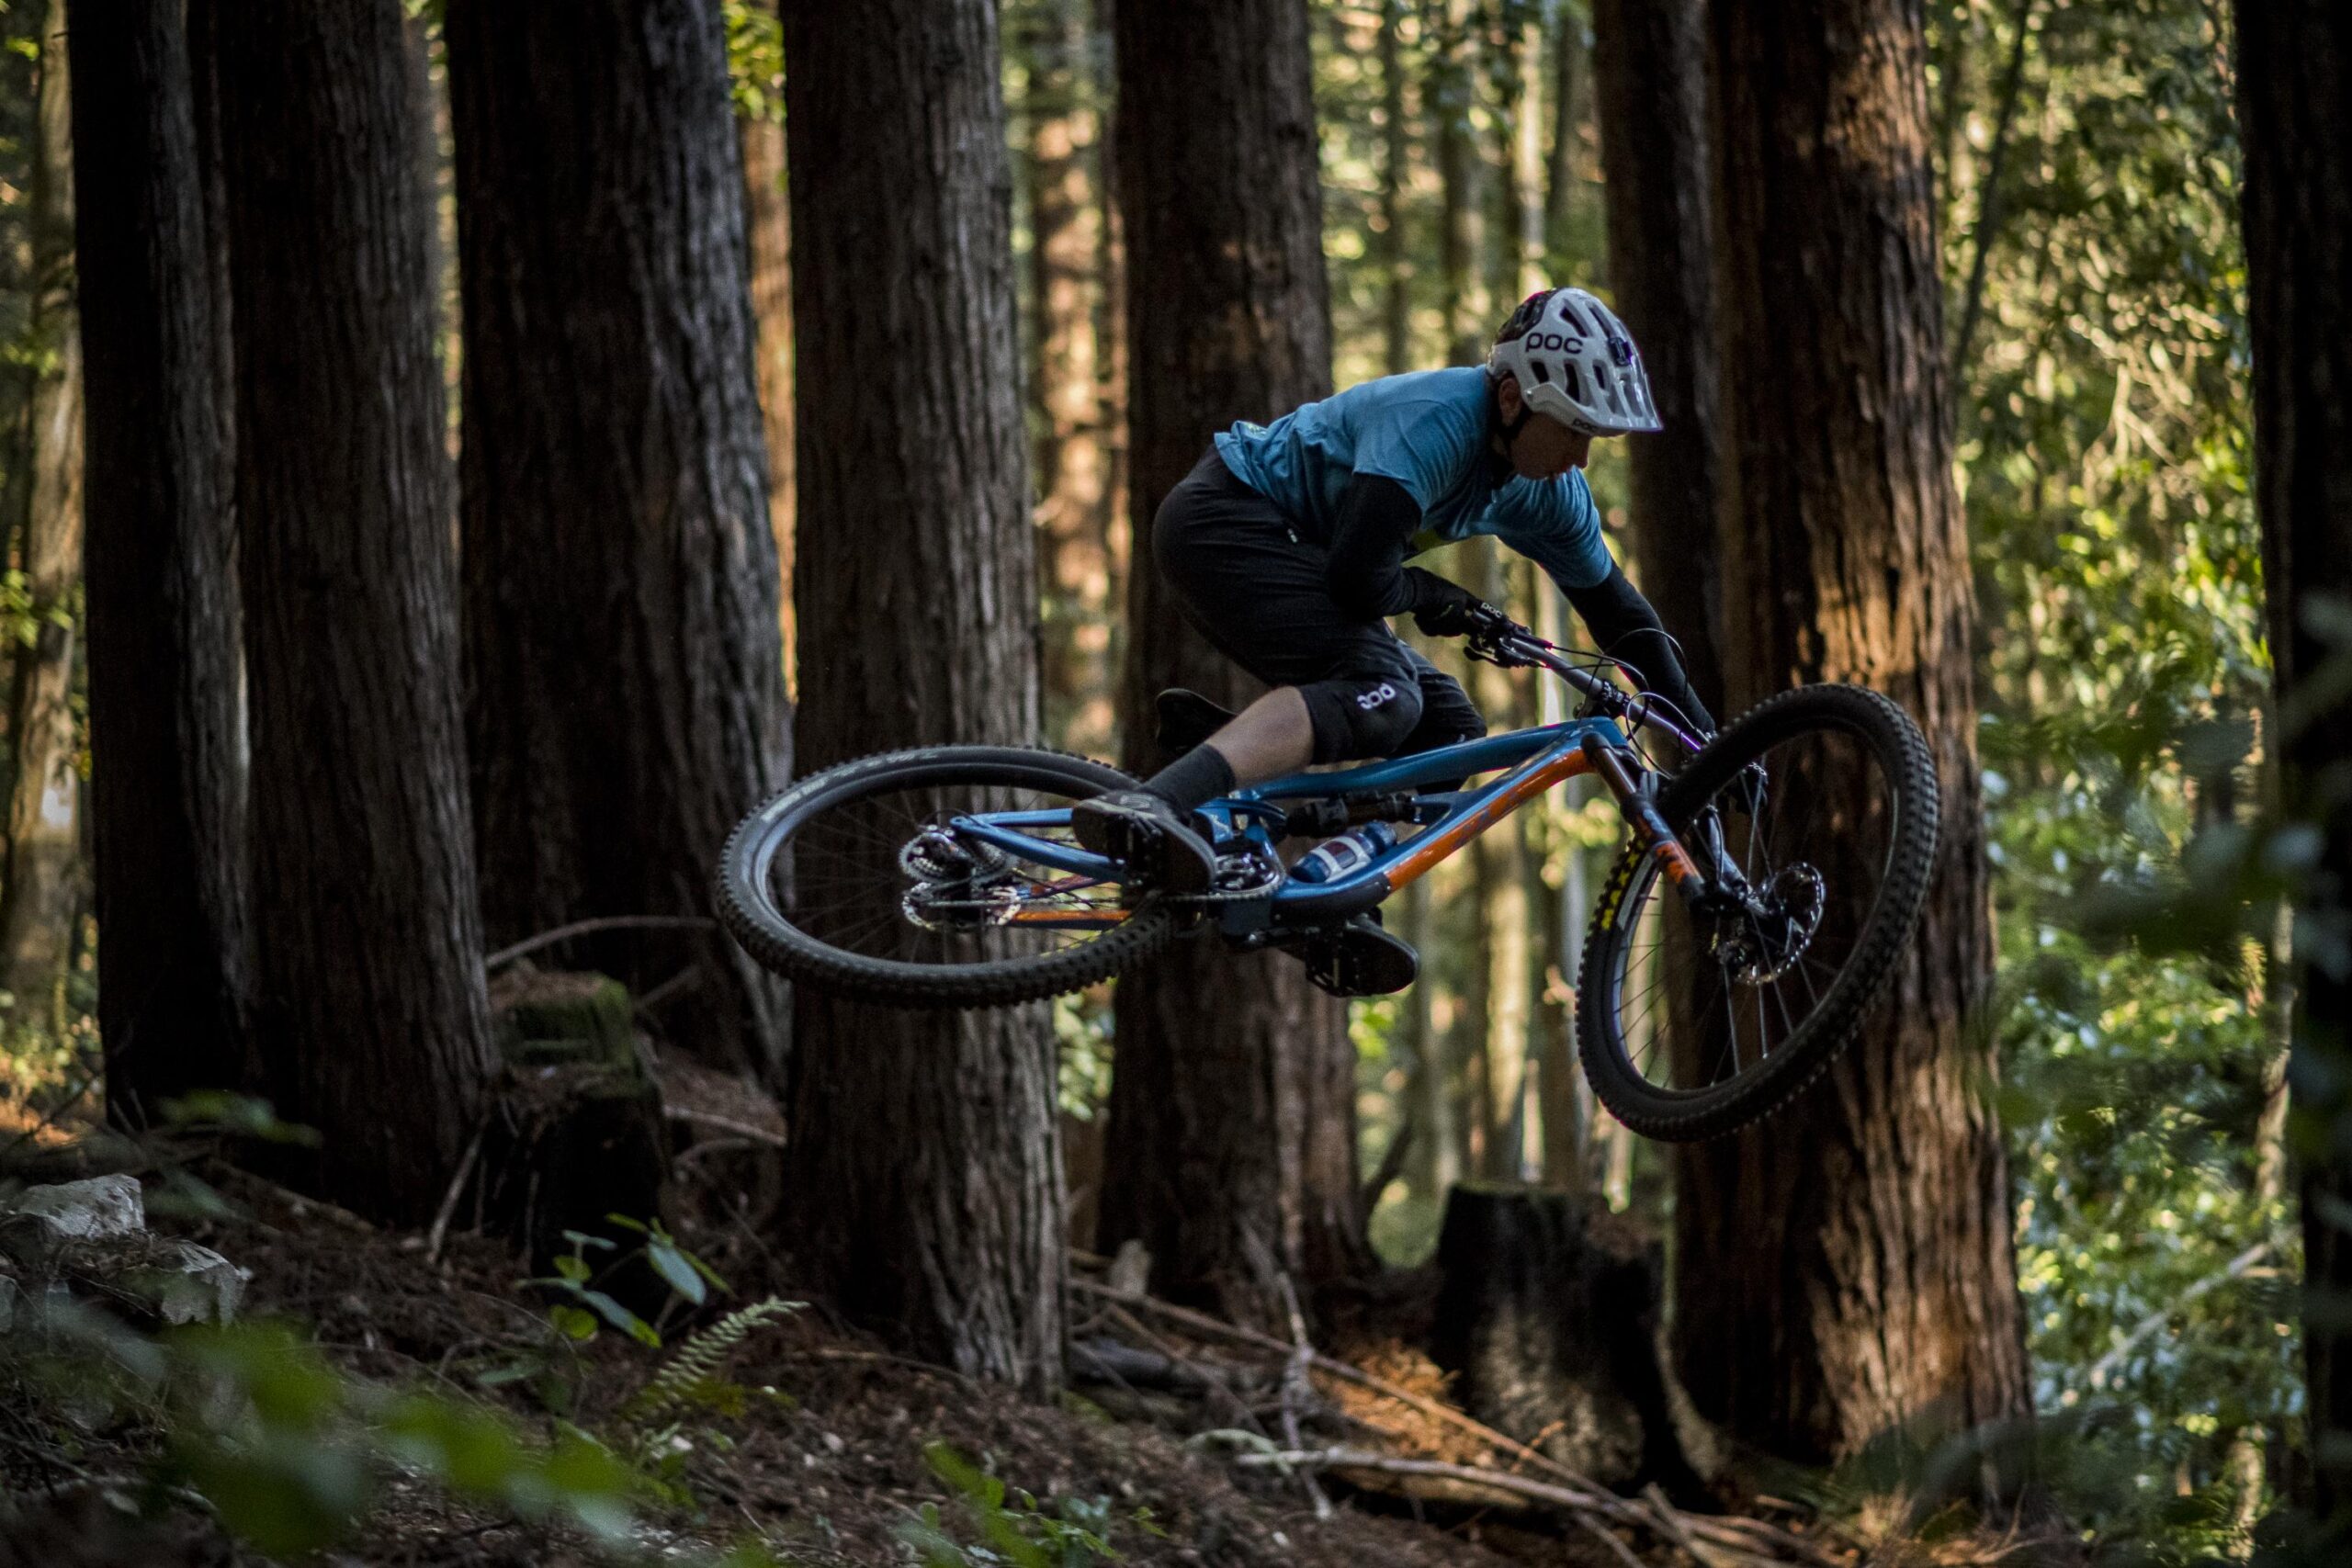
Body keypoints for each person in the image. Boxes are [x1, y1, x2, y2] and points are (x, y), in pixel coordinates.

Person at [1073, 285, 1715, 899]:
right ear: (1515, 397)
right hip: (1225, 520)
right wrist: (1434, 594)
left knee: (1451, 728)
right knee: (1381, 691)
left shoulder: (1547, 491)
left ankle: (1330, 876)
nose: (1580, 458)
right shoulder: (1436, 422)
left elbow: (1621, 617)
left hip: (1298, 549)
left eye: (1593, 439)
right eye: (1574, 430)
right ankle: (1153, 803)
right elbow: (1358, 579)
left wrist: (1713, 747)